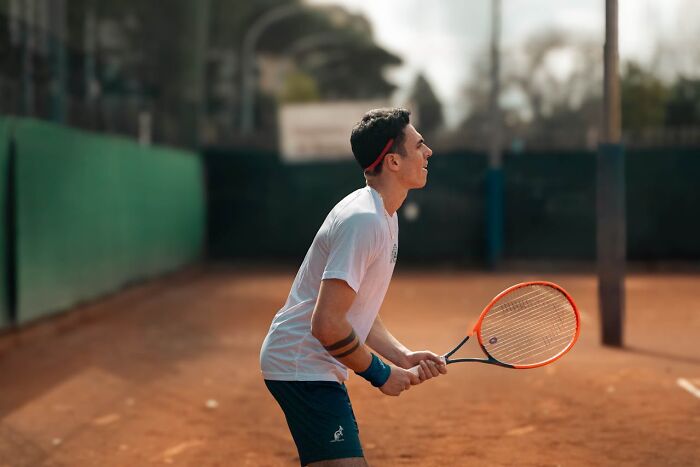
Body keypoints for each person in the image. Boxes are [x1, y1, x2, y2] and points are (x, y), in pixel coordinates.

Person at [260, 108, 446, 466]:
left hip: (311, 365)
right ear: (393, 161)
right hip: (302, 366)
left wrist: (402, 357)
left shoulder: (382, 215)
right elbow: (327, 323)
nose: (429, 152)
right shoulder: (364, 221)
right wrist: (381, 374)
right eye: (420, 145)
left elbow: (355, 308)